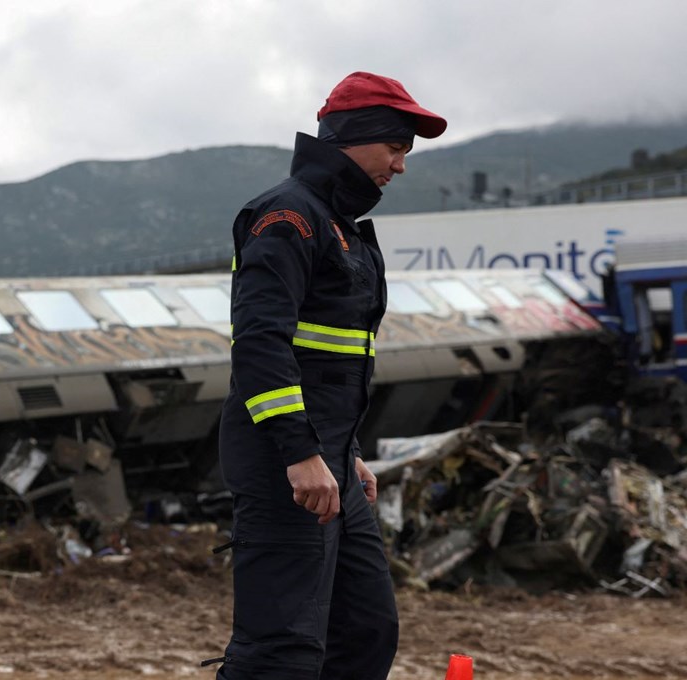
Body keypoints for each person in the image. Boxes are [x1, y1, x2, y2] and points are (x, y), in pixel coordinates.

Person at [211, 72, 447, 679]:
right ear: (353, 137)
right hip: (284, 463)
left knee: (365, 632)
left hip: (332, 460)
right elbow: (261, 345)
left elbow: (329, 367)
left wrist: (348, 453)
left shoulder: (341, 225)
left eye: (406, 152)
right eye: (394, 148)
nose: (400, 166)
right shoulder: (287, 216)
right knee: (280, 650)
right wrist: (300, 453)